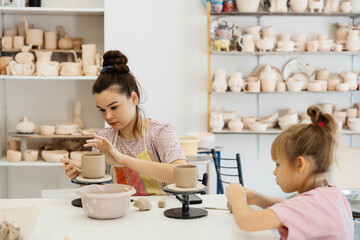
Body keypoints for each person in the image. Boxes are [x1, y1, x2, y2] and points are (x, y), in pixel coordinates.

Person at [61, 50, 187, 196]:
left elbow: (181, 174)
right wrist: (82, 174)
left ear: (134, 99)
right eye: (101, 110)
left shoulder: (160, 132)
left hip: (157, 214)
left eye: (114, 107)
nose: (108, 116)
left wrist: (122, 160)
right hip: (118, 213)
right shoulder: (104, 138)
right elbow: (99, 190)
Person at [225, 105, 354, 239]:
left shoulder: (305, 206)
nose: (274, 172)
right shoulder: (332, 194)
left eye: (278, 164)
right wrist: (258, 198)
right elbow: (294, 210)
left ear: (300, 164)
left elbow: (247, 221)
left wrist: (237, 198)